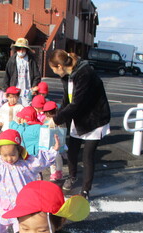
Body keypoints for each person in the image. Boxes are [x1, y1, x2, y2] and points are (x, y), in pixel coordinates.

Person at [0, 129, 60, 233]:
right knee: (1, 228)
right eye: (5, 155)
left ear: (19, 150)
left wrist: (54, 150)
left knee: (21, 229)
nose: (9, 159)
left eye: (12, 155)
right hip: (2, 206)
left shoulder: (26, 164)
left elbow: (41, 162)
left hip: (23, 206)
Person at [48, 49, 112, 200]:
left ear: (60, 66)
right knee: (72, 151)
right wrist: (57, 117)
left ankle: (85, 190)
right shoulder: (67, 76)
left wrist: (56, 120)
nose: (54, 72)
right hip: (79, 118)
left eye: (53, 69)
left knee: (87, 155)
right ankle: (72, 176)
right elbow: (67, 101)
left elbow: (76, 104)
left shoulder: (85, 73)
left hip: (95, 119)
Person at [4, 38, 41, 106]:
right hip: (15, 91)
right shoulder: (12, 60)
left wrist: (34, 86)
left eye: (23, 49)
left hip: (28, 91)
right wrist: (6, 90)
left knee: (27, 110)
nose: (21, 51)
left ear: (26, 49)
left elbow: (37, 75)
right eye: (19, 48)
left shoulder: (31, 60)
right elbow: (7, 76)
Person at [42, 100, 64, 181]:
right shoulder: (56, 120)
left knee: (55, 157)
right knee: (55, 157)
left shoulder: (50, 121)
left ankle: (57, 172)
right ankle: (56, 172)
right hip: (54, 143)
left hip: (54, 143)